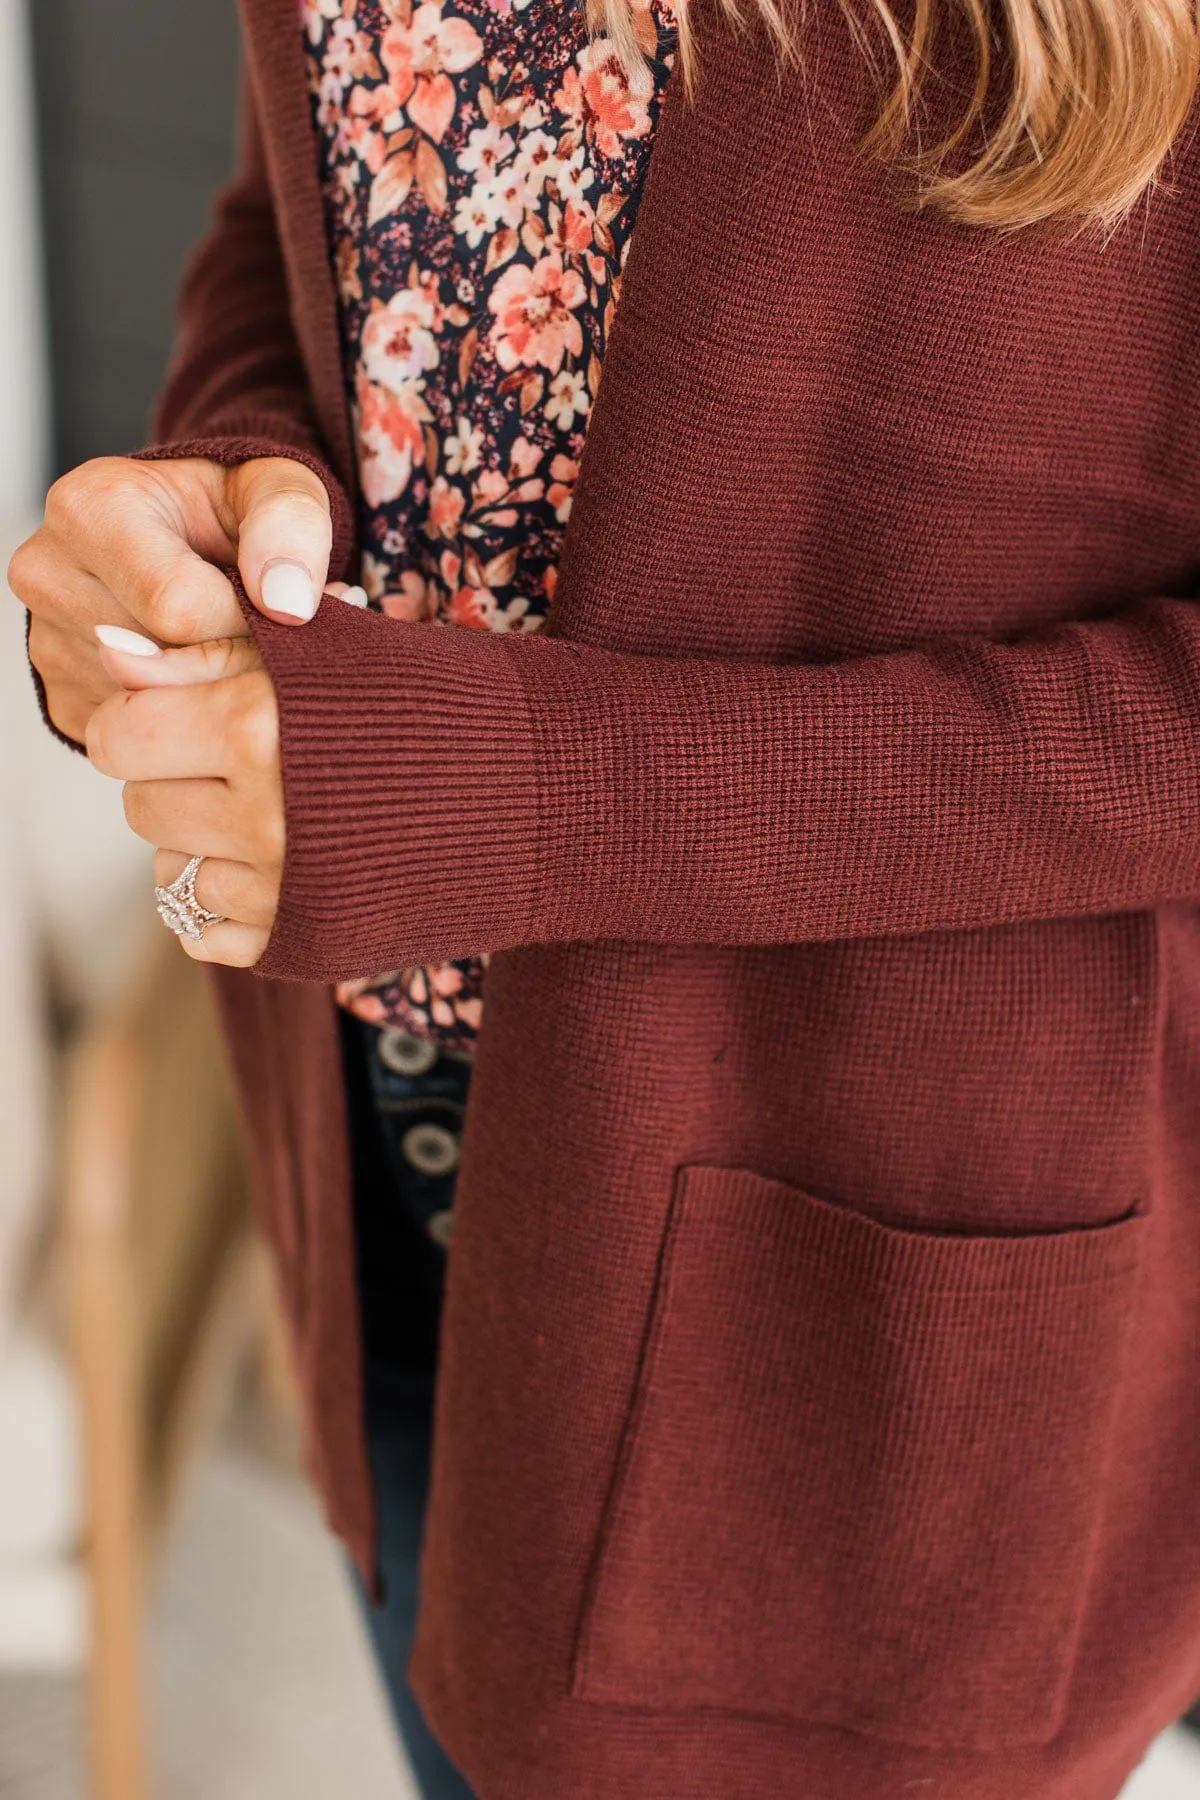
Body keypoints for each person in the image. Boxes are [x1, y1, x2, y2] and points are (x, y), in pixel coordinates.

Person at [10, 0, 1200, 1790]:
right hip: (394, 1165)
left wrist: (528, 796)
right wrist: (224, 474)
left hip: (865, 1302)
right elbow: (299, 209)